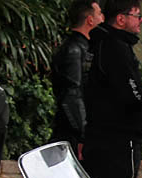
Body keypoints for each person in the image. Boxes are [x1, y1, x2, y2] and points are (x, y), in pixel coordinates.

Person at [83, 0, 142, 178]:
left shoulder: (98, 44)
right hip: (118, 143)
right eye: (137, 15)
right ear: (121, 19)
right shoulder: (115, 47)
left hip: (98, 138)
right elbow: (132, 93)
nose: (141, 21)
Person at [50, 0, 104, 156]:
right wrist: (83, 135)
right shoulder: (73, 50)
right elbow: (72, 96)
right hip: (71, 137)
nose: (103, 19)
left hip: (76, 133)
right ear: (90, 20)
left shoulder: (83, 48)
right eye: (99, 14)